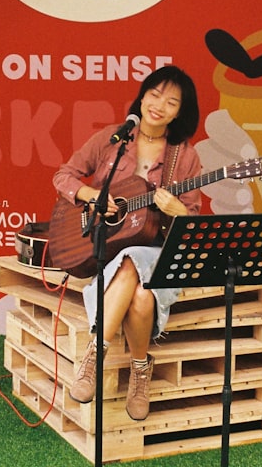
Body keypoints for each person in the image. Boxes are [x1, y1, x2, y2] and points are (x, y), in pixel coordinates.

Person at [52, 65, 203, 421]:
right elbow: (63, 176)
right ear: (142, 95)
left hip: (157, 250)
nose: (159, 106)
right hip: (109, 248)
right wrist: (90, 195)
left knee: (136, 258)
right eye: (154, 94)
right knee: (140, 295)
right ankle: (140, 370)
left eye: (171, 102)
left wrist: (177, 209)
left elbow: (193, 224)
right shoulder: (113, 139)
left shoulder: (186, 156)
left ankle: (94, 353)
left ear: (180, 112)